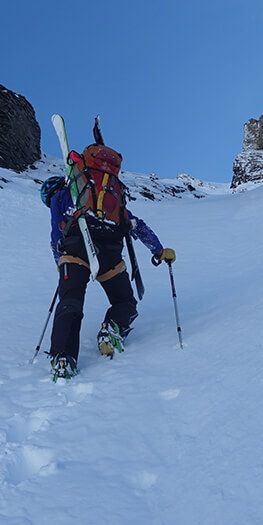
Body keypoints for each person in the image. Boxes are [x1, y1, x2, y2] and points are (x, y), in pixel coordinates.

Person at [39, 157, 175, 380]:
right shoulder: (105, 200)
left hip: (75, 251)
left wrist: (60, 264)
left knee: (70, 301)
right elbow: (135, 225)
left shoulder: (59, 196)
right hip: (109, 251)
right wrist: (159, 251)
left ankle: (64, 357)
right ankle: (112, 329)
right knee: (125, 302)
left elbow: (56, 235)